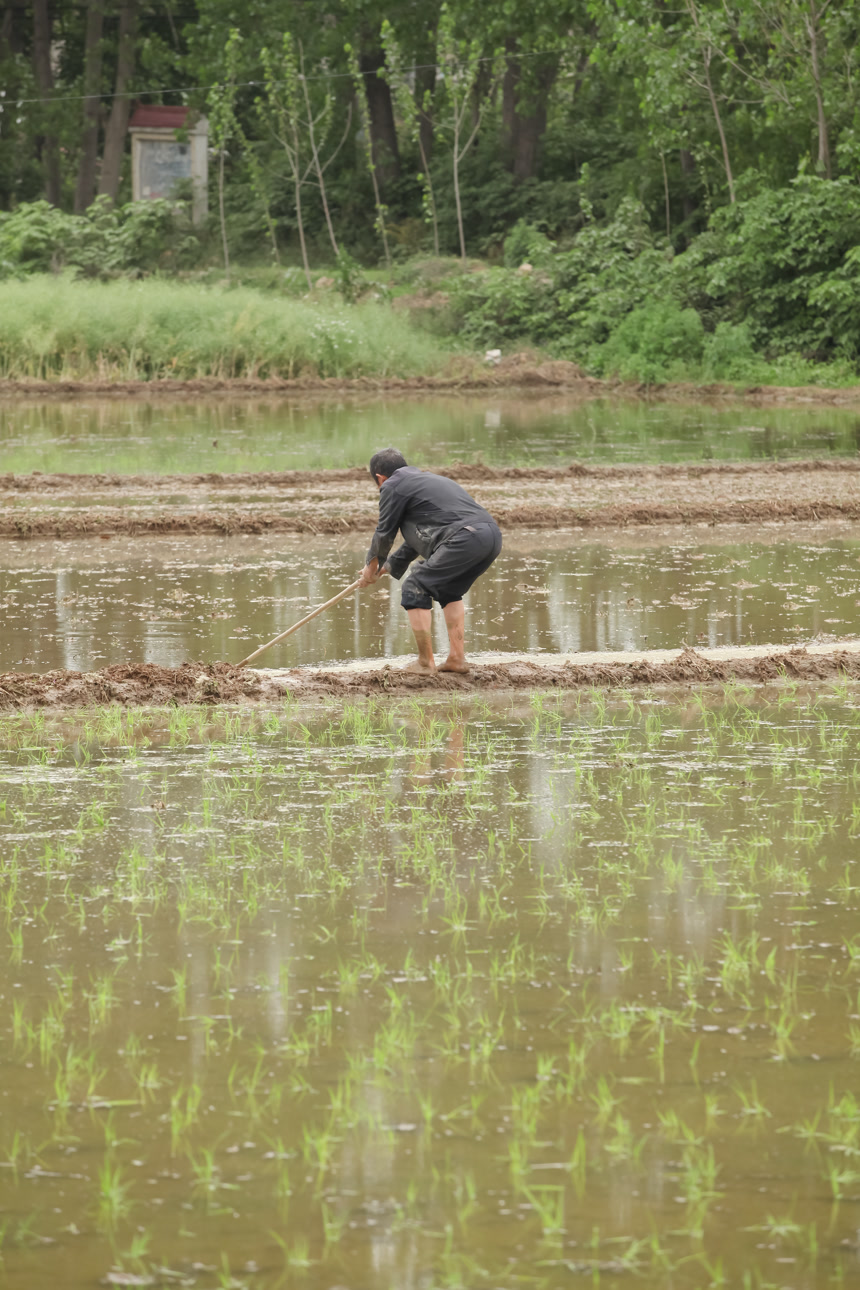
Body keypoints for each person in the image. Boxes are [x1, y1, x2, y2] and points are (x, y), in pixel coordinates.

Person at [358, 448, 503, 674]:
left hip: (463, 536)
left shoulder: (392, 485)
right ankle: (456, 660)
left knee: (415, 585)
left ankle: (425, 663)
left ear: (379, 478)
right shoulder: (427, 481)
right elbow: (417, 539)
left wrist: (370, 567)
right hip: (489, 535)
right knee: (449, 591)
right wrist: (385, 568)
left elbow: (384, 532)